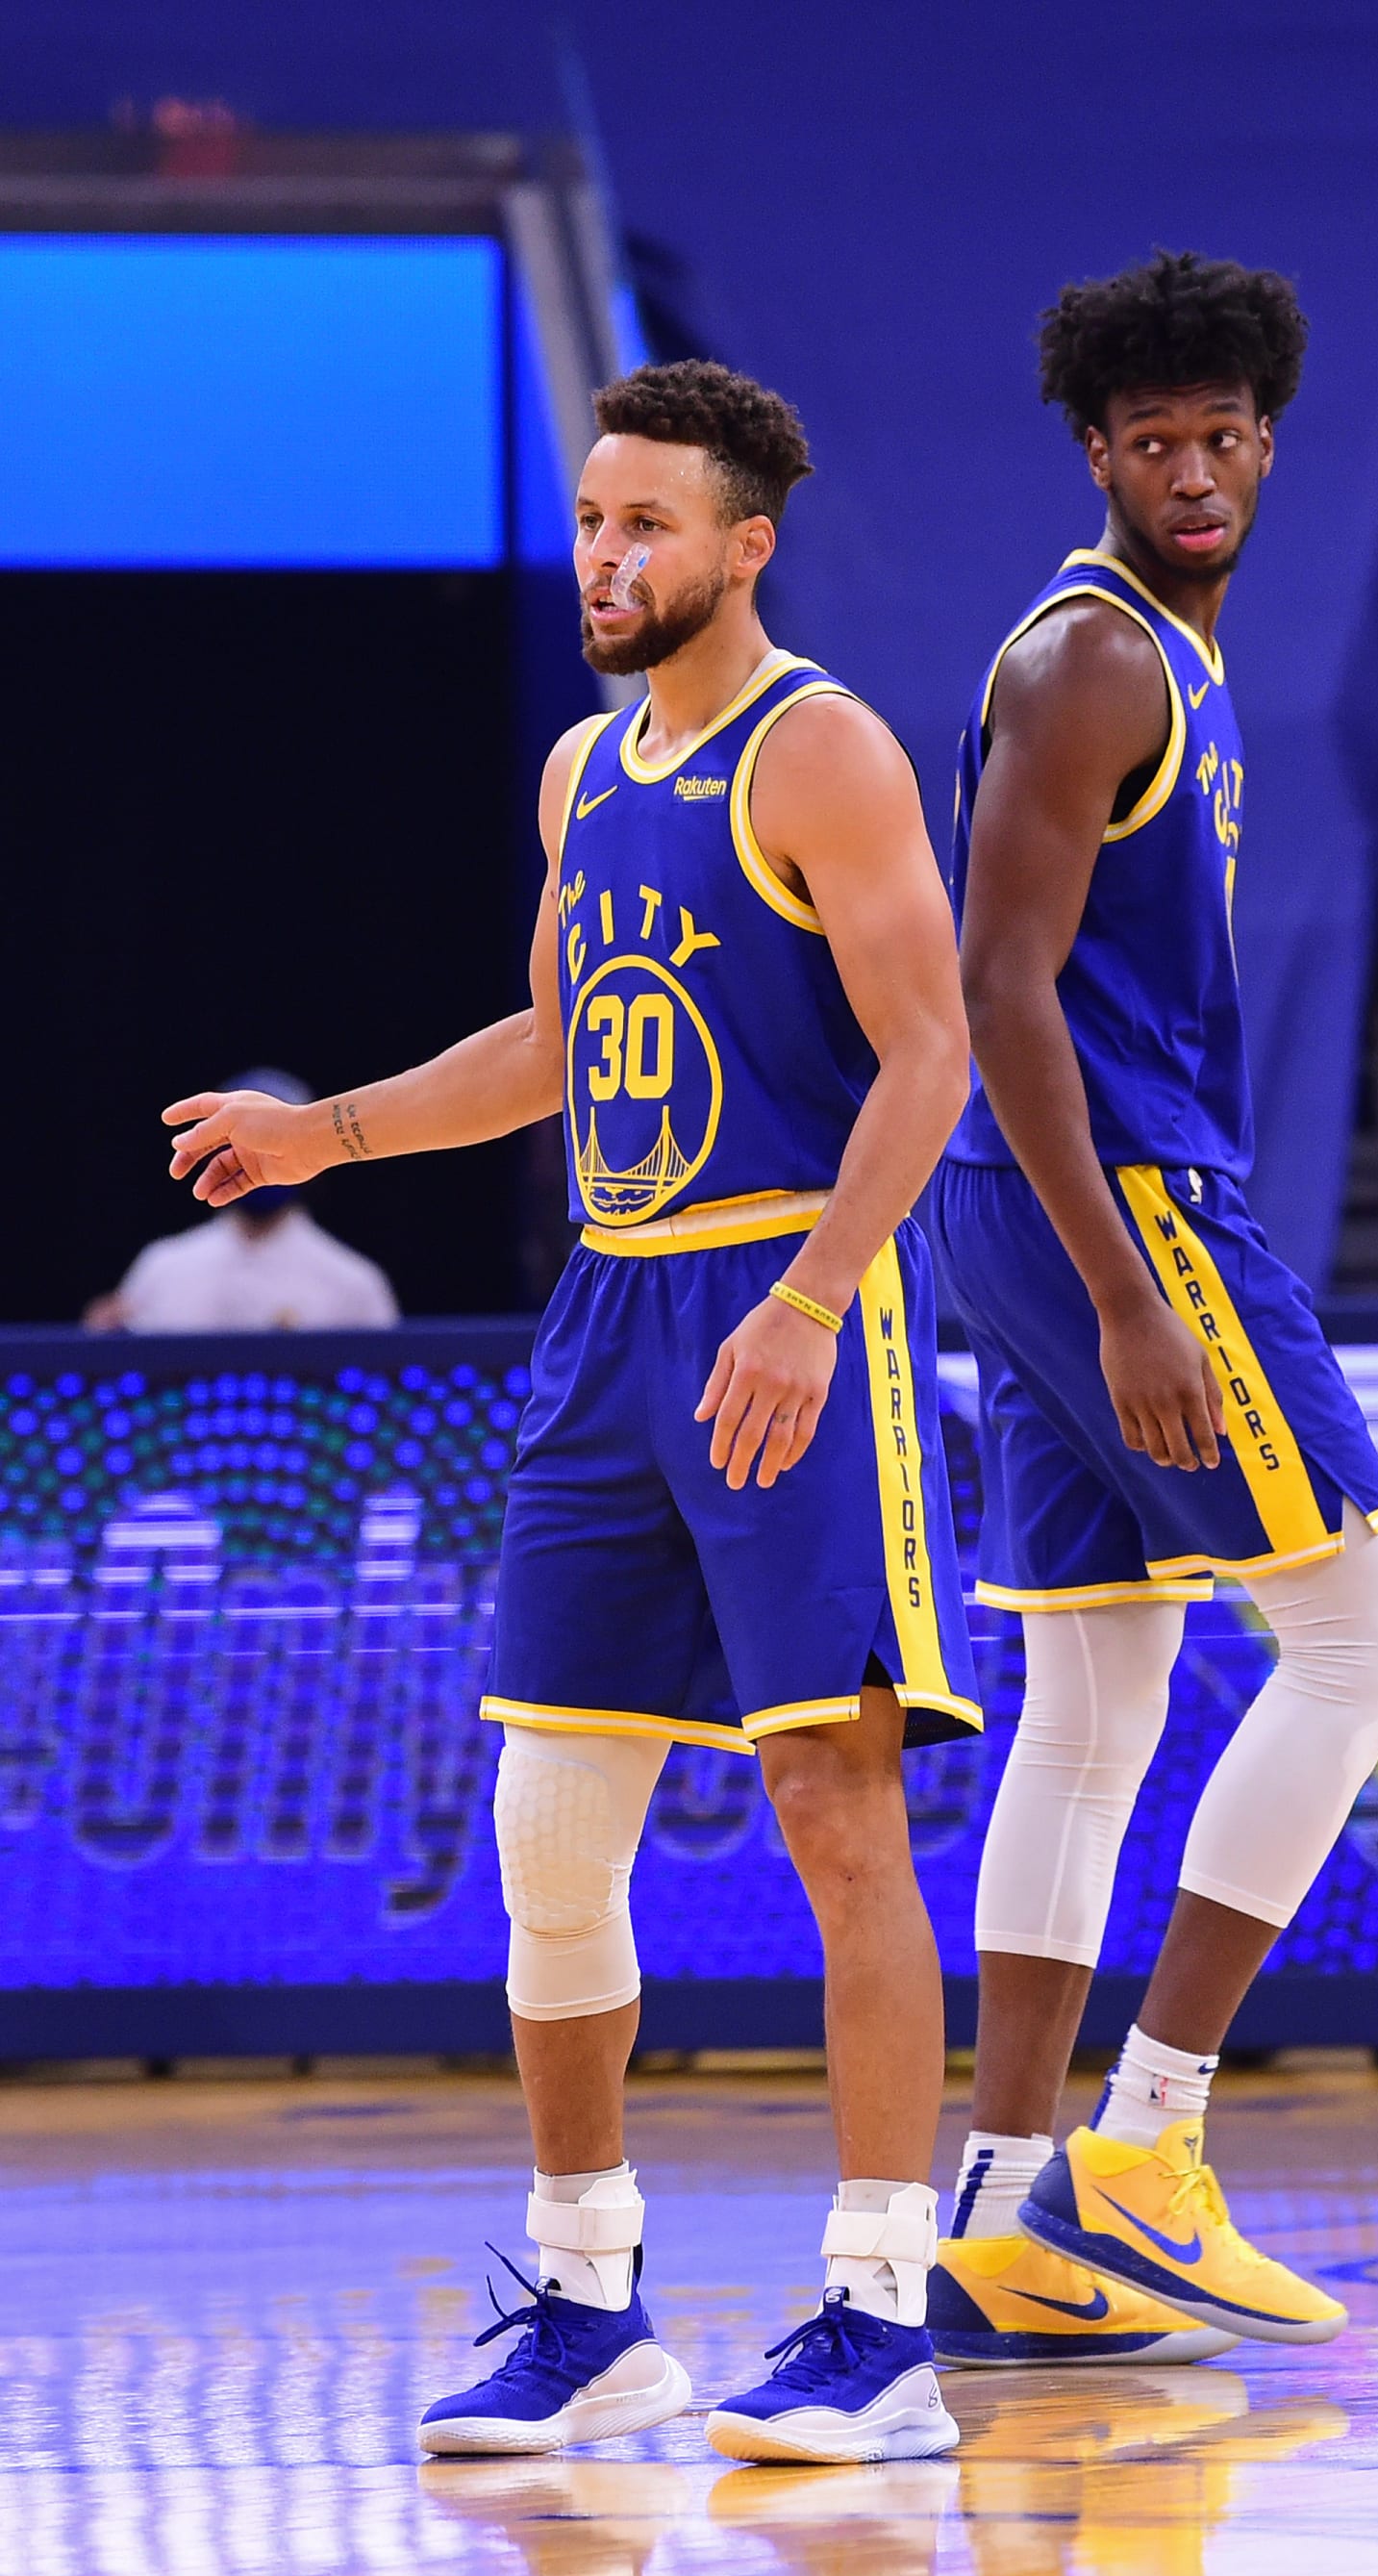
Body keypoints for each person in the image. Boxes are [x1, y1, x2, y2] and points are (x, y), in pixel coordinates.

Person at [162, 361, 979, 2467]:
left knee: (835, 1816)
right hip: (611, 1316)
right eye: (592, 519)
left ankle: (881, 2304)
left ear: (744, 547)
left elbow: (931, 1060)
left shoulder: (827, 755)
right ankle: (591, 2297)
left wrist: (809, 1303)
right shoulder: (584, 769)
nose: (607, 555)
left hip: (792, 1290)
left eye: (649, 526)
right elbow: (553, 1032)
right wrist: (323, 1132)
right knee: (548, 1833)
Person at [923, 252, 1378, 2366]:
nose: (1197, 468)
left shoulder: (1172, 658)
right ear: (1097, 453)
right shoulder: (1089, 664)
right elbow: (995, 986)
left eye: (1226, 435)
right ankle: (1158, 2137)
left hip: (1025, 1208)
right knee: (1366, 1637)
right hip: (1109, 1205)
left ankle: (1011, 2199)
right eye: (1156, 441)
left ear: (1268, 441)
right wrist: (1132, 1294)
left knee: (1101, 1704)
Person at [86, 1069, 397, 1331]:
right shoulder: (162, 1268)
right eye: (242, 1141)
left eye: (273, 1142)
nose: (256, 1155)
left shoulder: (354, 1285)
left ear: (316, 1156)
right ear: (212, 1150)